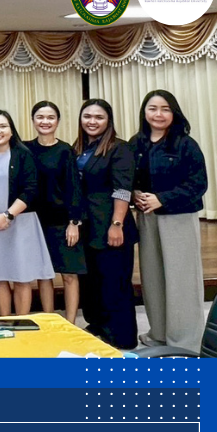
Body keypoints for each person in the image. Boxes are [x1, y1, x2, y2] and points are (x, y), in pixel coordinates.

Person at [133, 90, 208, 352]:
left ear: (174, 112)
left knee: (181, 280)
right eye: (153, 108)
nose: (158, 114)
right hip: (147, 219)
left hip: (178, 218)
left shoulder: (186, 145)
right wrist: (135, 193)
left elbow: (198, 184)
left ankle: (185, 342)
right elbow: (127, 177)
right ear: (144, 112)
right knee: (153, 279)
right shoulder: (137, 143)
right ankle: (159, 334)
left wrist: (162, 199)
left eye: (165, 109)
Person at [0, 110, 54, 316]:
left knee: (21, 277)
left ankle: (22, 322)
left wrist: (8, 215)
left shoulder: (23, 154)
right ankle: (5, 322)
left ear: (11, 130)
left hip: (20, 222)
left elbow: (31, 189)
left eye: (2, 126)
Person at [73, 98, 139, 350]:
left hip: (111, 224)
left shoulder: (120, 148)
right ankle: (99, 325)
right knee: (93, 281)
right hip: (88, 225)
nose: (92, 121)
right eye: (87, 116)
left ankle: (122, 338)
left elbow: (122, 189)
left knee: (115, 282)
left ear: (109, 121)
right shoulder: (79, 147)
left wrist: (117, 223)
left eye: (99, 117)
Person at [25, 101, 87, 324]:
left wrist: (74, 221)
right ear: (33, 120)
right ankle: (49, 321)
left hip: (63, 221)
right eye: (40, 117)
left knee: (69, 274)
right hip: (34, 221)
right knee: (44, 274)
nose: (45, 121)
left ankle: (70, 323)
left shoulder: (65, 151)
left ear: (58, 121)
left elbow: (74, 188)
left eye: (50, 117)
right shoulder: (26, 149)